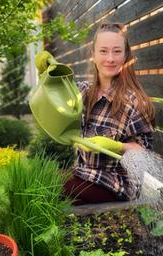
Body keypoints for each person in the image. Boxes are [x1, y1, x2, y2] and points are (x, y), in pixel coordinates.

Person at [63, 23, 155, 205]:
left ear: (125, 56)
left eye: (117, 51)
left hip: (115, 186)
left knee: (48, 185)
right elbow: (55, 101)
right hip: (84, 175)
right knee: (42, 181)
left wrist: (117, 147)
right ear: (93, 56)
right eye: (103, 51)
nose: (110, 58)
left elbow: (145, 154)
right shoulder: (82, 92)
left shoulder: (135, 102)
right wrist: (47, 73)